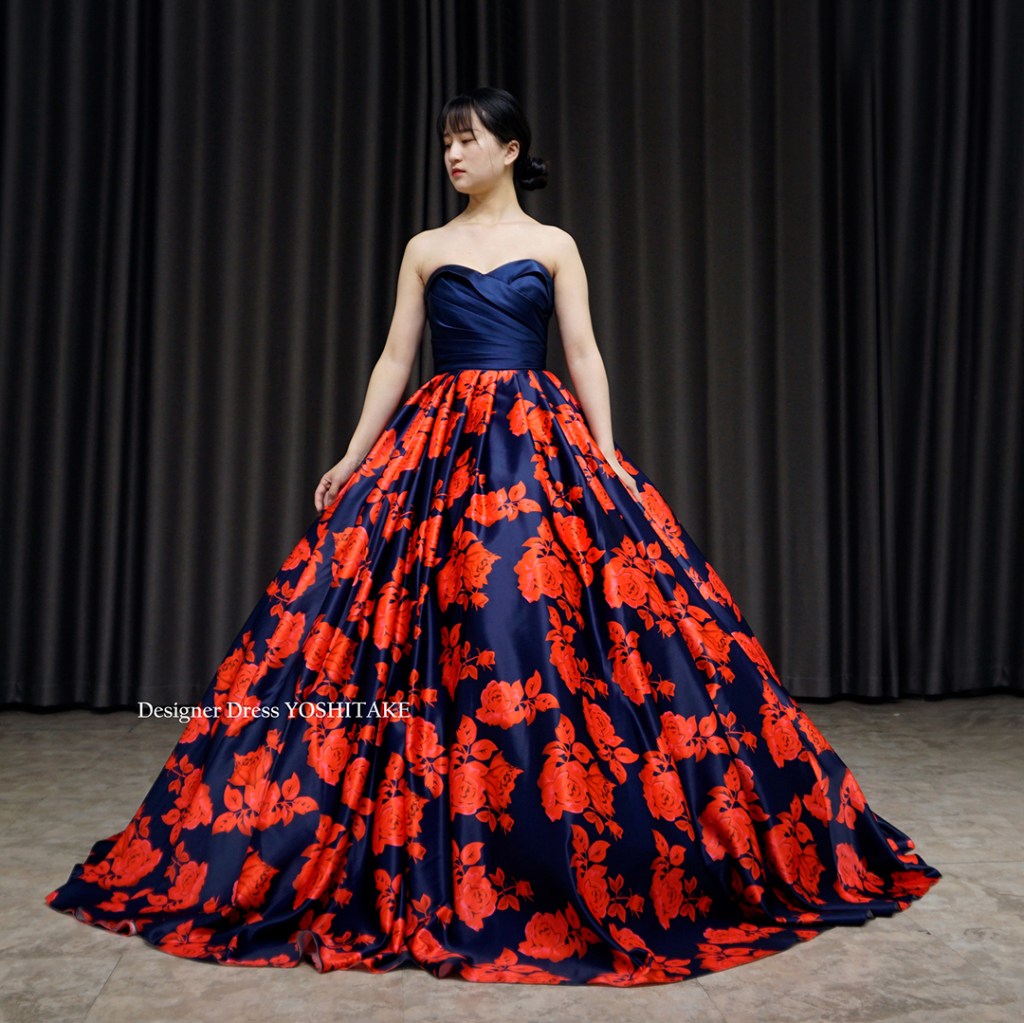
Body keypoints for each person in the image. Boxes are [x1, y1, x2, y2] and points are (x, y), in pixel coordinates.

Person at [46, 87, 941, 985]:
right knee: (409, 628)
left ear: (511, 149)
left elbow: (582, 352)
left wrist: (606, 454)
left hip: (535, 443)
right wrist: (353, 455)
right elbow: (395, 358)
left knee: (539, 622)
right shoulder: (424, 247)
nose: (452, 154)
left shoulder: (555, 246)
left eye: (467, 139)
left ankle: (540, 835)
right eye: (446, 140)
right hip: (437, 447)